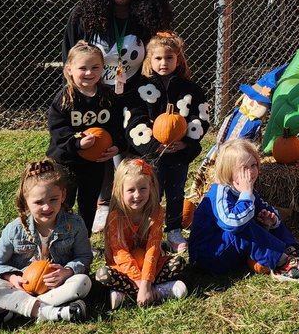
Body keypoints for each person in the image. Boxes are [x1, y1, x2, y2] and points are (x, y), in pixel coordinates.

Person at [124, 32, 210, 254]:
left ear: (178, 60)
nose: (164, 63)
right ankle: (147, 231)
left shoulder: (189, 89)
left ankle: (173, 230)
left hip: (178, 153)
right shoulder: (139, 89)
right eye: (158, 58)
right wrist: (153, 145)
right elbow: (134, 118)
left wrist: (187, 143)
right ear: (149, 60)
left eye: (169, 58)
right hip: (151, 155)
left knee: (176, 191)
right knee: (150, 192)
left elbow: (200, 117)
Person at [0, 159, 92, 329]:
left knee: (83, 282)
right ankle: (53, 312)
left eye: (53, 199)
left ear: (62, 195)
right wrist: (12, 277)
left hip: (56, 286)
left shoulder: (75, 224)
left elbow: (84, 257)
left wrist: (67, 271)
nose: (47, 207)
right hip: (22, 287)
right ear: (25, 202)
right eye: (39, 202)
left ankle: (16, 308)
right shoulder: (14, 229)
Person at [188, 138, 299, 282]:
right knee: (242, 226)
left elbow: (265, 208)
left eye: (254, 165)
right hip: (209, 255)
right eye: (244, 168)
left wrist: (271, 220)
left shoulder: (246, 190)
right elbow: (231, 224)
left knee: (269, 215)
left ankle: (289, 249)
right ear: (229, 171)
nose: (251, 172)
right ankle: (281, 264)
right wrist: (247, 194)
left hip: (230, 252)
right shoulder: (220, 192)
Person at [62, 0, 174, 97]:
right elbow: (69, 59)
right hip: (93, 99)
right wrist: (69, 94)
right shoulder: (83, 16)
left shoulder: (149, 18)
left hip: (137, 99)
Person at [46, 41, 123, 232]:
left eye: (95, 67)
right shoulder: (65, 98)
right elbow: (58, 130)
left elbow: (116, 126)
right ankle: (60, 237)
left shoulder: (107, 97)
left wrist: (117, 145)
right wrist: (77, 143)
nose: (89, 73)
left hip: (95, 162)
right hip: (67, 161)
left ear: (103, 68)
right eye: (83, 68)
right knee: (64, 200)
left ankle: (83, 239)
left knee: (88, 202)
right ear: (69, 69)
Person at [95, 158, 188, 309]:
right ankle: (157, 290)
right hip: (123, 269)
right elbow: (121, 254)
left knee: (178, 264)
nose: (137, 195)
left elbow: (153, 249)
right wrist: (141, 284)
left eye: (143, 189)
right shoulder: (115, 217)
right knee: (103, 275)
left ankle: (127, 293)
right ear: (120, 190)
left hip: (150, 266)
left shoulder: (155, 212)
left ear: (151, 187)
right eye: (131, 190)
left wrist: (146, 282)